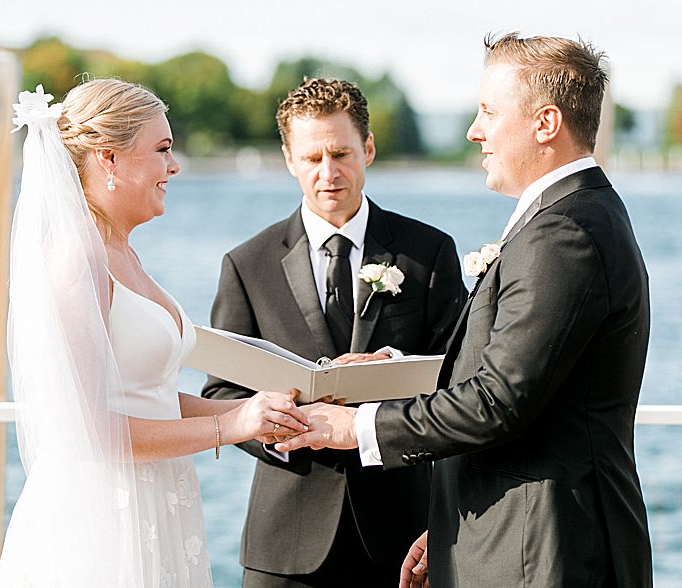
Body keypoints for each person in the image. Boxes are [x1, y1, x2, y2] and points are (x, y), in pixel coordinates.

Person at [276, 33, 654, 588]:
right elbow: (522, 381)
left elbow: (499, 402)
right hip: (513, 534)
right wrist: (452, 521)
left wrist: (353, 426)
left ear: (545, 124)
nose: (474, 130)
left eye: (488, 111)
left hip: (546, 552)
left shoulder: (564, 235)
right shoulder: (573, 216)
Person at [0, 79, 310, 588]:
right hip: (103, 520)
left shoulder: (125, 255)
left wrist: (257, 413)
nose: (174, 166)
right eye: (162, 150)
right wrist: (230, 428)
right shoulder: (78, 262)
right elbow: (94, 430)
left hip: (160, 499)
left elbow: (152, 398)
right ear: (109, 159)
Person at [202, 77, 466, 587]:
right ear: (288, 159)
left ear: (367, 147)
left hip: (403, 536)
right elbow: (221, 392)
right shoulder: (247, 264)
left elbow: (457, 380)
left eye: (342, 153)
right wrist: (283, 429)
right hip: (285, 541)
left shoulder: (428, 252)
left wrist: (390, 368)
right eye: (312, 158)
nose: (329, 173)